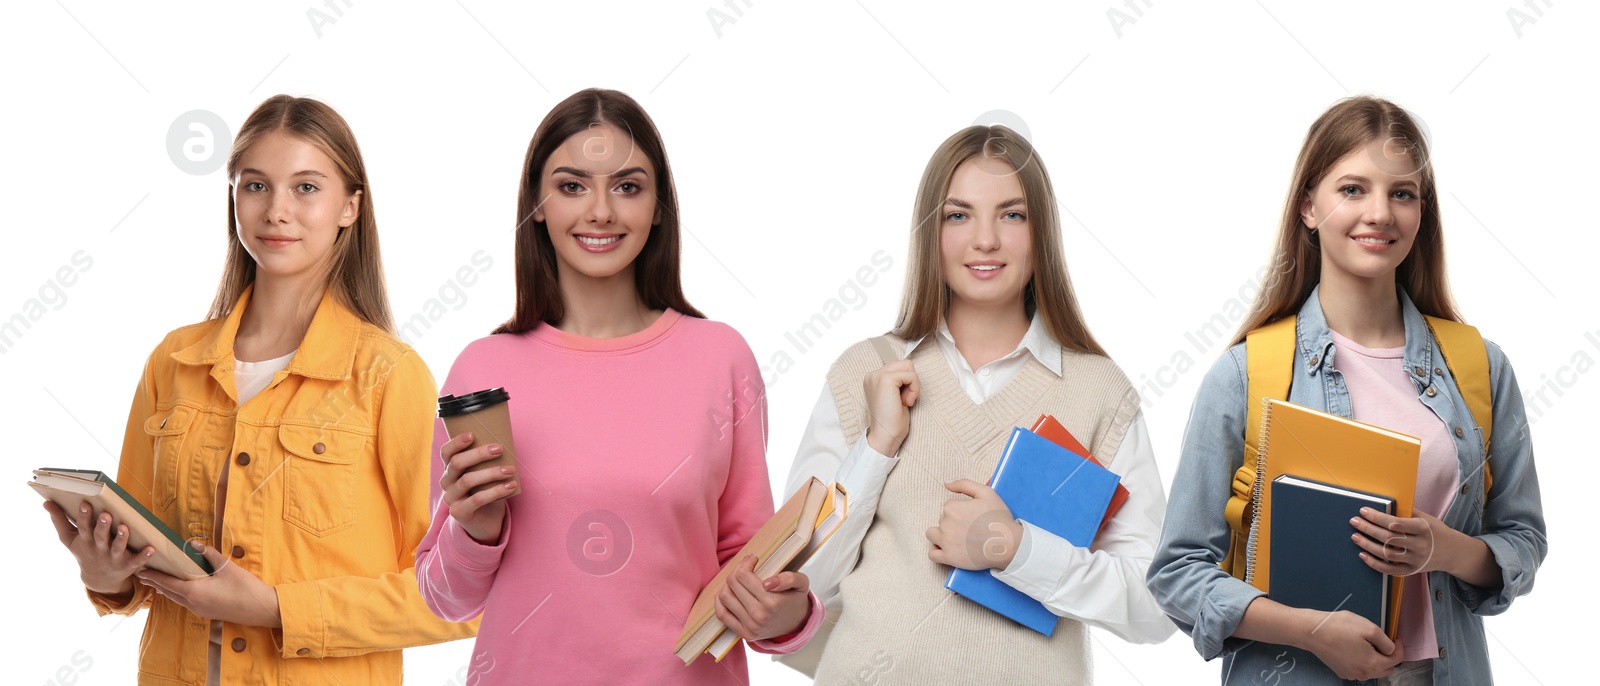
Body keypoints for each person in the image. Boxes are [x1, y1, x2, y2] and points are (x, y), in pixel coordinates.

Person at [43, 94, 476, 685]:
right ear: (233, 196)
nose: (276, 210)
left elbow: (460, 593)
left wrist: (278, 611)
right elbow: (142, 564)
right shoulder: (172, 362)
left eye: (306, 188)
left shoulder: (387, 376)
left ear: (350, 206)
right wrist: (103, 574)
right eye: (255, 185)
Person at [413, 88, 821, 686]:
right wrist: (476, 529)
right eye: (572, 186)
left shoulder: (720, 358)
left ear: (658, 206)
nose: (600, 211)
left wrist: (787, 614)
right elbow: (446, 600)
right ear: (537, 205)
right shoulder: (482, 370)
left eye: (627, 186)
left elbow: (749, 564)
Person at [1146, 95, 1547, 685]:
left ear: (1421, 212)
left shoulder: (1480, 368)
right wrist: (1312, 631)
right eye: (1353, 189)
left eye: (1402, 193)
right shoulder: (1244, 375)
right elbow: (1177, 571)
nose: (1380, 213)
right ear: (1309, 206)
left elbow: (1524, 537)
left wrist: (1447, 549)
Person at [785, 124, 1175, 683]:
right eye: (958, 215)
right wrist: (878, 445)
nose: (985, 240)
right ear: (930, 232)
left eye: (1012, 215)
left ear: (1042, 233)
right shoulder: (863, 372)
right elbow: (803, 580)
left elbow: (1155, 604)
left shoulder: (1100, 391)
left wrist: (1015, 550)